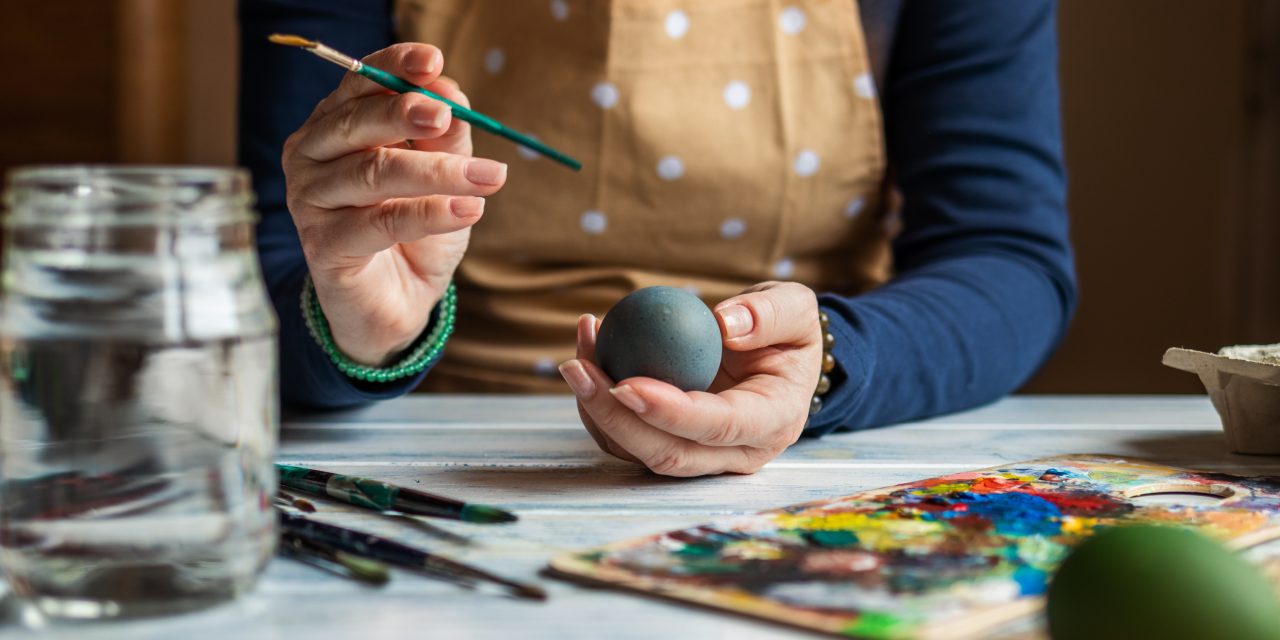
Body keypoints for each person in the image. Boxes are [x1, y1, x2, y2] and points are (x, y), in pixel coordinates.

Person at [239, 0, 1075, 476]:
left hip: (811, 457)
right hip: (428, 453)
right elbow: (274, 261)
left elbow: (1007, 260)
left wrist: (828, 359)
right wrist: (357, 322)